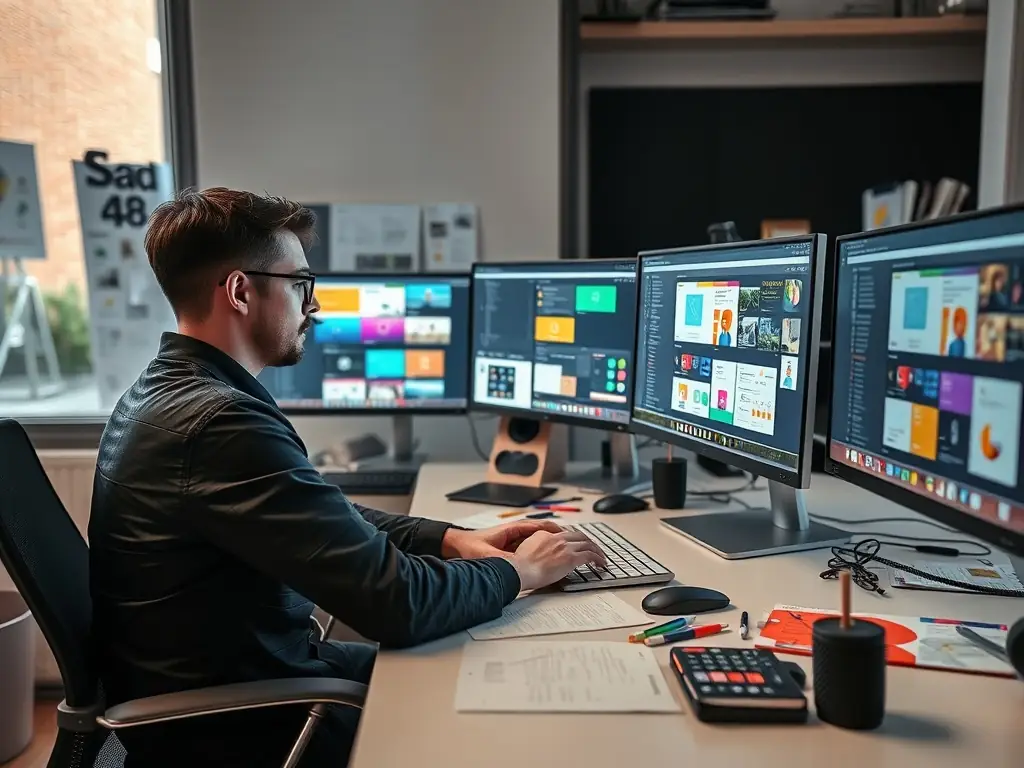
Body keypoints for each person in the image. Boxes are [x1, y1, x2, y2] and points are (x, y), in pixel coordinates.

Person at [88, 188, 606, 768]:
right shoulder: (220, 422)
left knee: (475, 653)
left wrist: (449, 540)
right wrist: (520, 570)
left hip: (240, 683)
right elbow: (399, 605)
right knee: (499, 706)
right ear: (239, 291)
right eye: (300, 285)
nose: (315, 307)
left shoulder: (167, 391)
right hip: (243, 724)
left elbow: (319, 510)